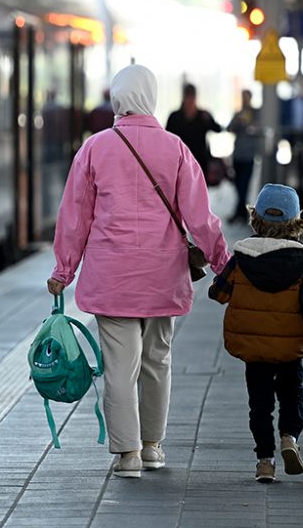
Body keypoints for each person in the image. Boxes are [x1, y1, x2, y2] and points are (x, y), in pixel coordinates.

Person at [47, 64, 230, 479]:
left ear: (117, 98)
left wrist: (64, 270)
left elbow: (74, 217)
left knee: (119, 367)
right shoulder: (176, 148)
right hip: (162, 277)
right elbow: (201, 219)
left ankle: (126, 454)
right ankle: (152, 447)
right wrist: (222, 264)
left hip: (111, 279)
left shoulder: (94, 149)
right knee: (157, 360)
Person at [208, 184, 303, 483]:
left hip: (253, 347)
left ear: (255, 218)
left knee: (260, 404)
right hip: (289, 348)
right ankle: (289, 438)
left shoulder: (242, 257)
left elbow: (218, 293)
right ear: (297, 222)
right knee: (292, 395)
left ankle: (265, 461)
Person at [166, 83, 222, 185]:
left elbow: (218, 129)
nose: (190, 100)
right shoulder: (175, 117)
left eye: (192, 97)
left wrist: (209, 119)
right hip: (180, 163)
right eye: (188, 97)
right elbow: (167, 139)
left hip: (200, 163)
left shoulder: (203, 116)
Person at [226, 90, 260, 224]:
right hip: (238, 154)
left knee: (244, 185)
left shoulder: (256, 114)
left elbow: (259, 129)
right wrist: (237, 122)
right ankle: (241, 212)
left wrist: (249, 126)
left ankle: (240, 212)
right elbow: (229, 129)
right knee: (238, 185)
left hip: (249, 154)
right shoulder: (238, 113)